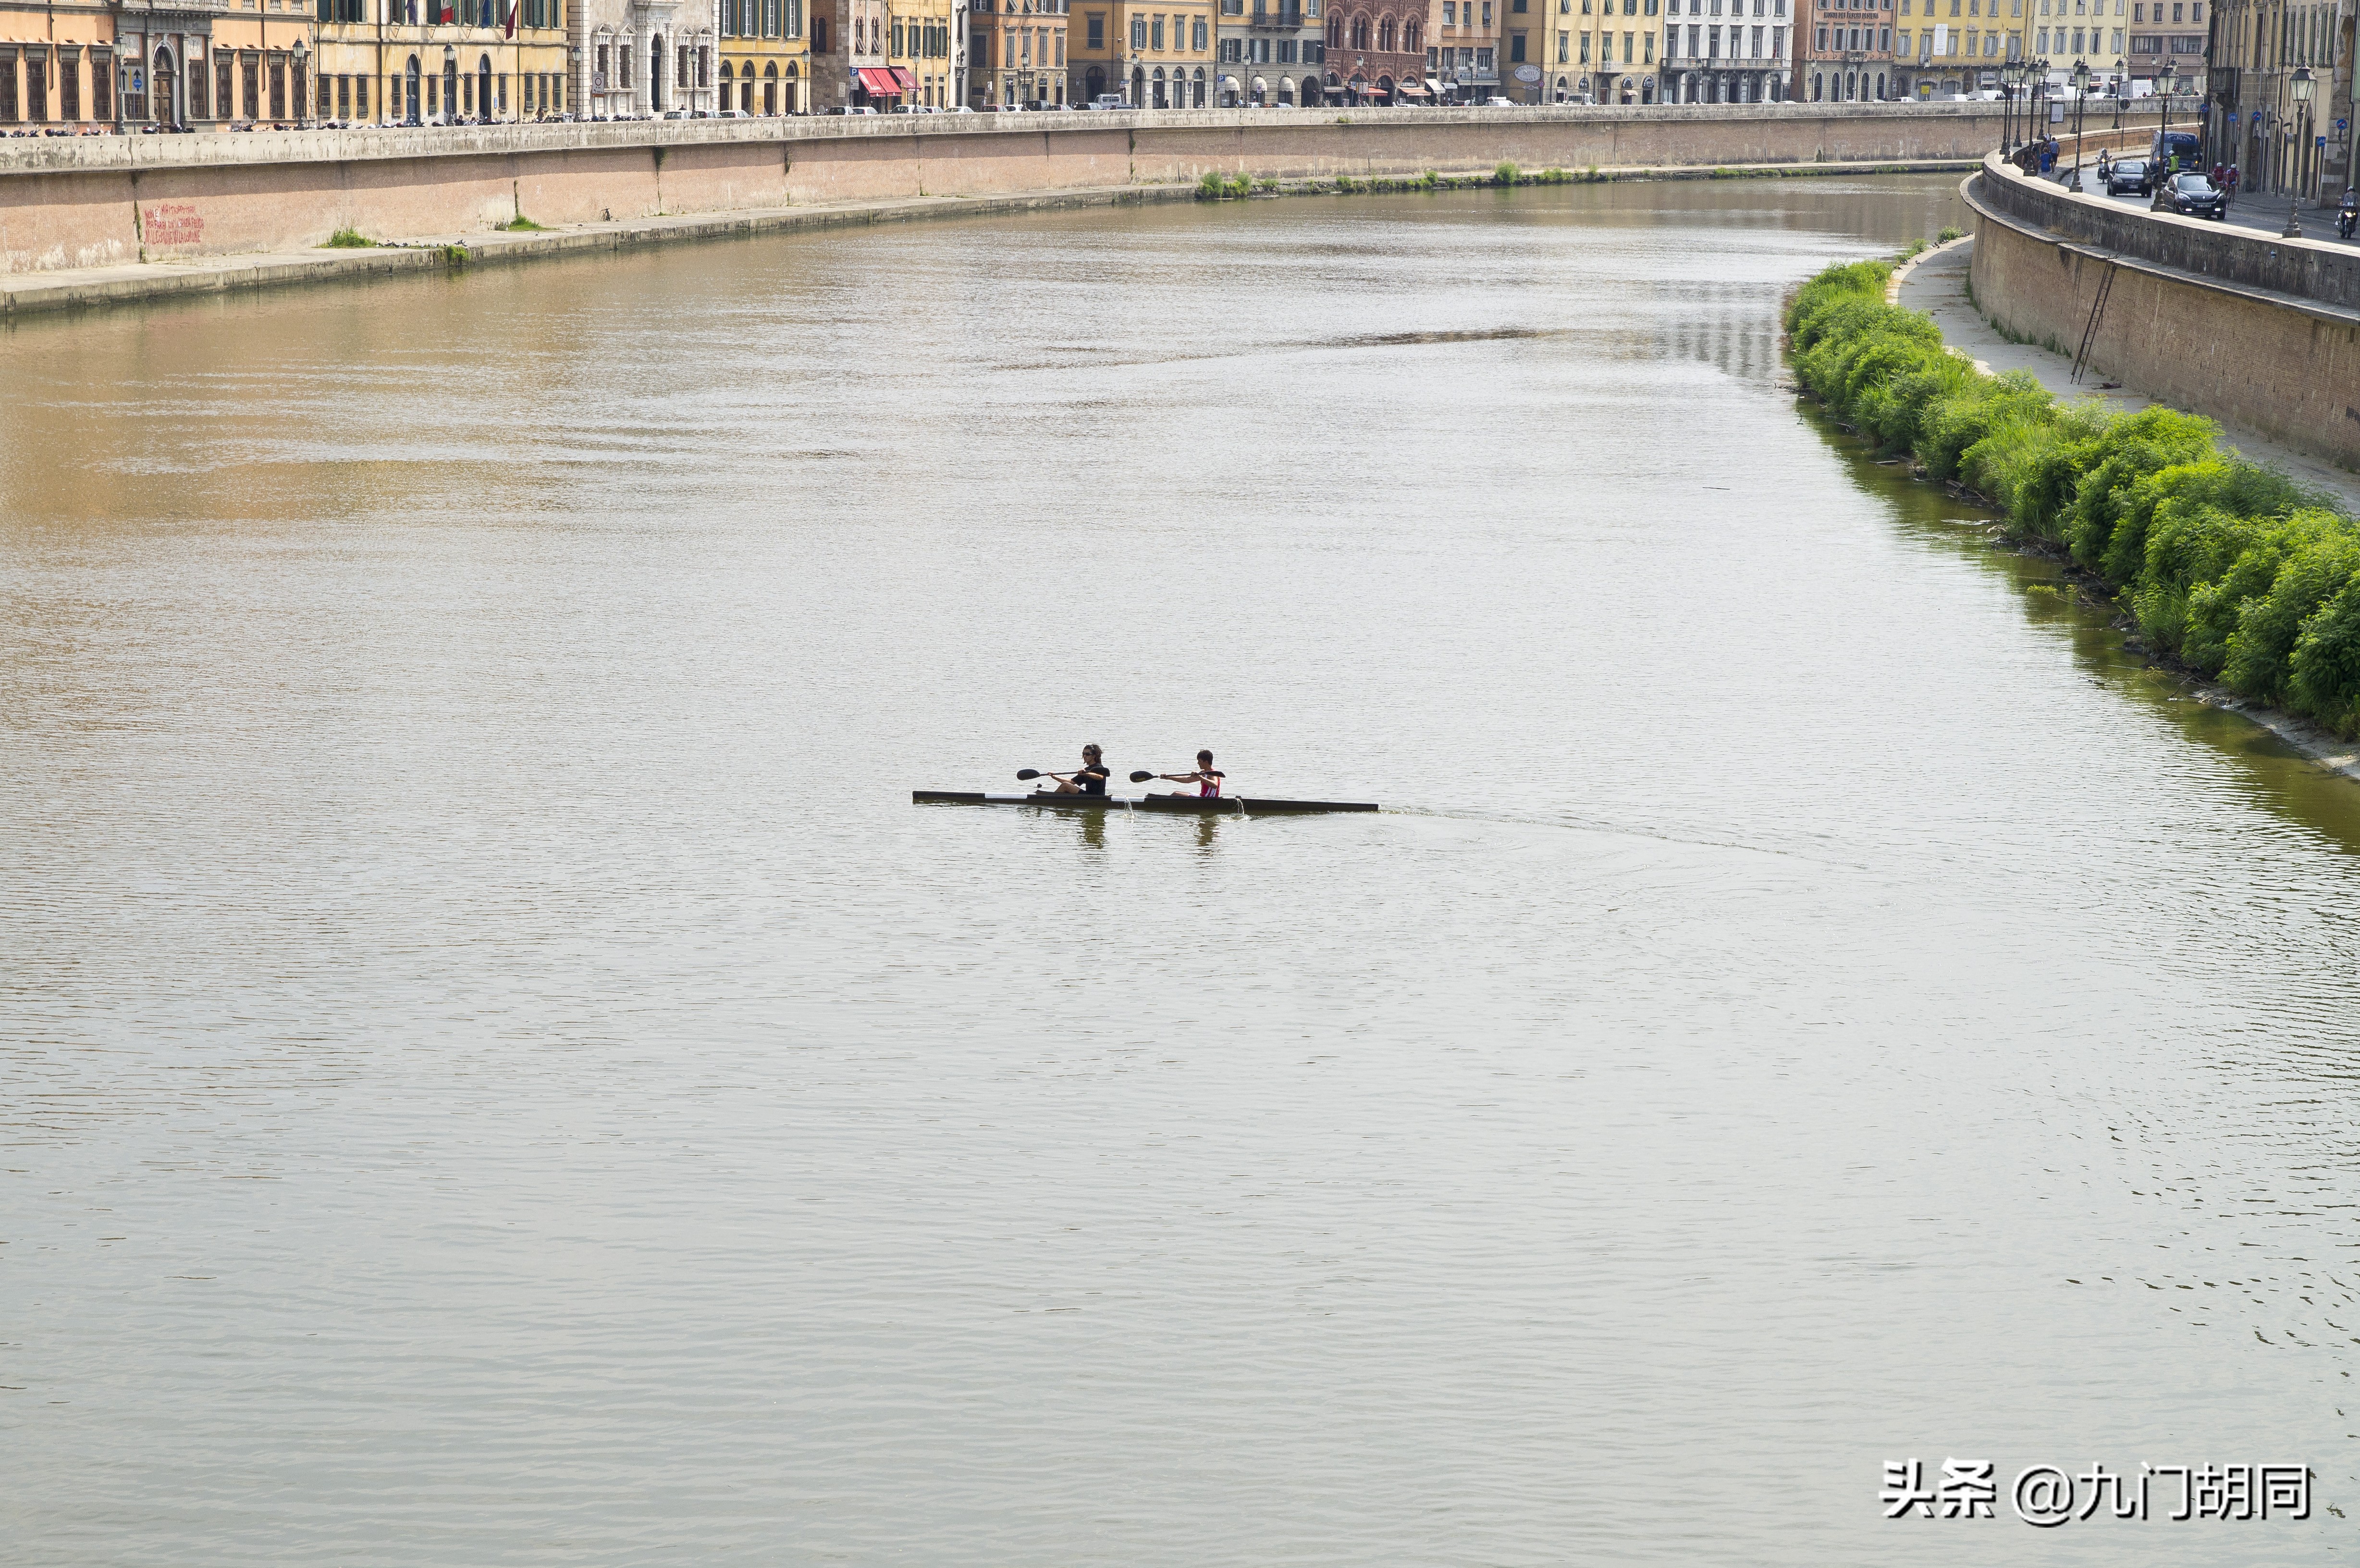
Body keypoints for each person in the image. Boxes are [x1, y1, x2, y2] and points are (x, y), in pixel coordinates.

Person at [1044, 745, 1111, 796]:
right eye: (1083, 754)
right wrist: (1054, 777)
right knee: (1066, 785)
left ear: (1094, 756)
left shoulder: (1099, 767)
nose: (1085, 756)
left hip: (1096, 797)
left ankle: (1050, 801)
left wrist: (1086, 774)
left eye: (1087, 754)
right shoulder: (1086, 770)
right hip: (1087, 795)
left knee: (1065, 785)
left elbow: (1100, 777)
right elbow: (1072, 782)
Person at [1155, 750, 1225, 798]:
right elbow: (1187, 780)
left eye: (1199, 761)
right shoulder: (1203, 773)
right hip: (1202, 797)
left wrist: (1200, 778)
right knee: (1176, 793)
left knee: (1175, 794)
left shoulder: (1213, 773)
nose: (1198, 763)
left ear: (1206, 762)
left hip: (1208, 800)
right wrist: (1169, 777)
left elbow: (1215, 785)